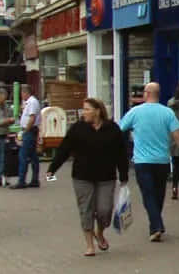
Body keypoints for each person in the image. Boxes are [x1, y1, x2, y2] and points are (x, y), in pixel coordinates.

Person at [46, 97, 129, 256]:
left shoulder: (112, 128)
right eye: (83, 109)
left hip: (106, 177)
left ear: (97, 111)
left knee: (104, 210)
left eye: (87, 109)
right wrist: (52, 169)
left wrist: (123, 174)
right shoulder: (78, 128)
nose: (84, 113)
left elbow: (120, 153)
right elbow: (64, 148)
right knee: (86, 210)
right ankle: (90, 245)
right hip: (82, 177)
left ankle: (100, 232)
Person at [118, 81, 179, 241]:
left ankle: (156, 226)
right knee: (159, 194)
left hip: (142, 161)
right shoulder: (167, 113)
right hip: (162, 161)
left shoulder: (135, 112)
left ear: (146, 94)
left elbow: (120, 128)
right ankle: (155, 226)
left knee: (148, 194)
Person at [12, 84, 43, 189]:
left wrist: (25, 130)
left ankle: (22, 181)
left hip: (30, 131)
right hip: (31, 131)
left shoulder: (32, 102)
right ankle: (34, 180)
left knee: (23, 156)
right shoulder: (29, 102)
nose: (21, 95)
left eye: (22, 93)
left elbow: (32, 118)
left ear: (25, 92)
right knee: (33, 156)